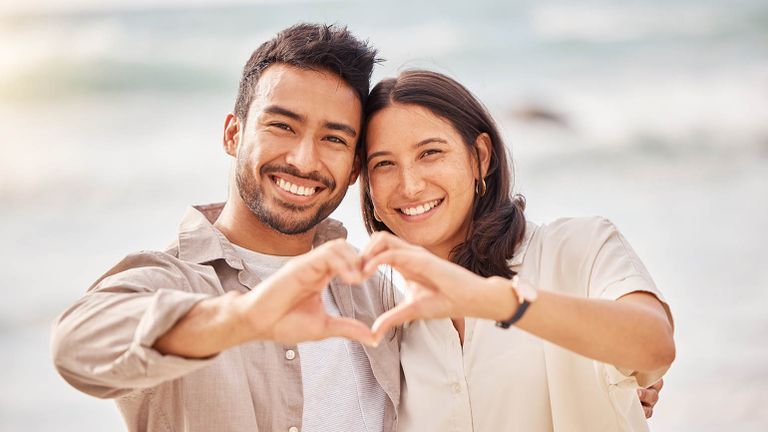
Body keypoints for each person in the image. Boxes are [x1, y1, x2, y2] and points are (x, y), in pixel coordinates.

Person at [50, 23, 401, 432]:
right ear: (233, 135)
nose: (304, 161)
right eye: (282, 126)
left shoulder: (377, 292)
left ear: (355, 166)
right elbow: (75, 344)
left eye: (334, 139)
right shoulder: (174, 279)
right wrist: (243, 318)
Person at [356, 70, 675, 431]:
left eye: (430, 153)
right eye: (383, 164)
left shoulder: (577, 248)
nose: (410, 185)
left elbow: (655, 347)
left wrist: (498, 301)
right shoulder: (390, 325)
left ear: (481, 156)